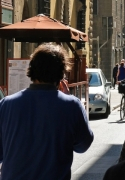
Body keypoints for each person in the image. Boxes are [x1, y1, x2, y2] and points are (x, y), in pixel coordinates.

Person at [0, 43, 93, 180]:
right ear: (61, 74)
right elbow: (83, 145)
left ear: (31, 70)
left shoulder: (6, 104)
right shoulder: (71, 105)